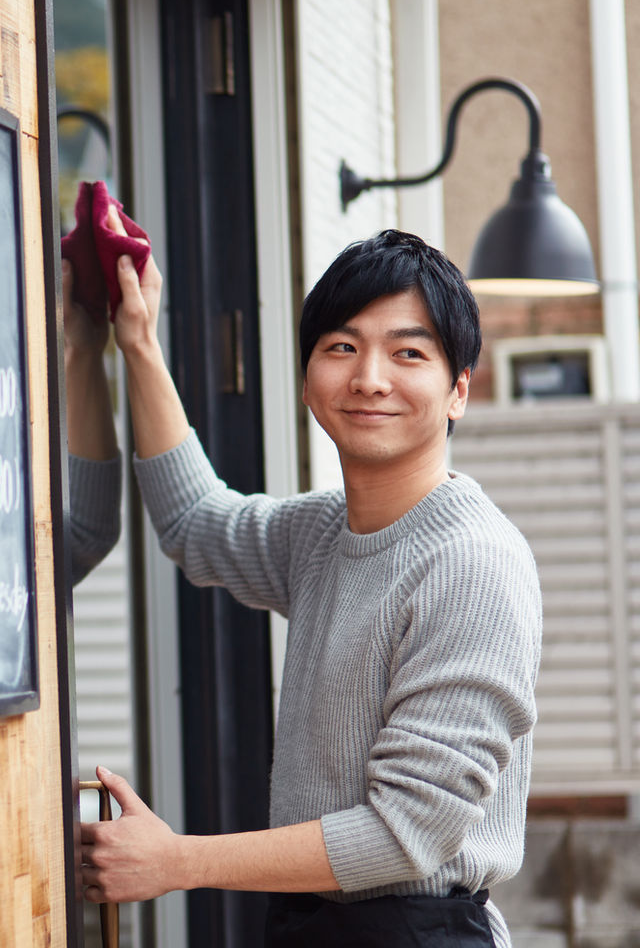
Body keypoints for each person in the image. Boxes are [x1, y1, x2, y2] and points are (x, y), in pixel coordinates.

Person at [67, 214, 541, 947]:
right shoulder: (323, 534)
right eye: (341, 347)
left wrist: (178, 862)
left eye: (408, 352)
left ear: (458, 390)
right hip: (315, 925)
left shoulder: (473, 563)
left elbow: (404, 831)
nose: (369, 378)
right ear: (308, 378)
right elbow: (196, 521)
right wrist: (130, 340)